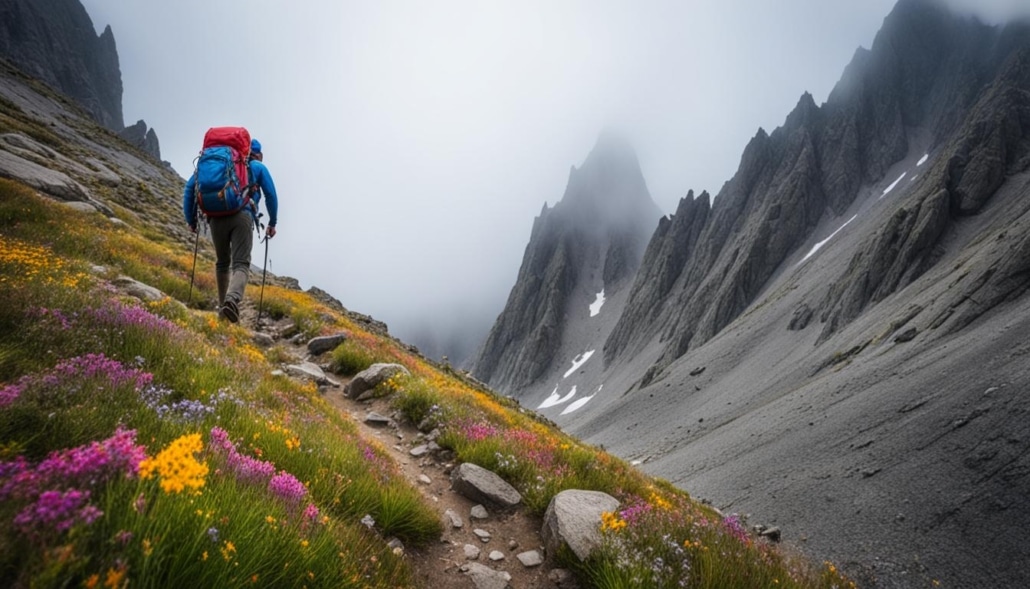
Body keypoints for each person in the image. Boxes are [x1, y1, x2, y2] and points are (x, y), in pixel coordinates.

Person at [183, 138, 278, 323]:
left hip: (216, 217)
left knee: (222, 263)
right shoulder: (257, 167)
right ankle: (232, 300)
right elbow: (271, 195)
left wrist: (191, 220)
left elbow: (189, 189)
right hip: (242, 216)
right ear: (259, 154)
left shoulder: (218, 163)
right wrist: (272, 223)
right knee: (241, 263)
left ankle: (222, 314)